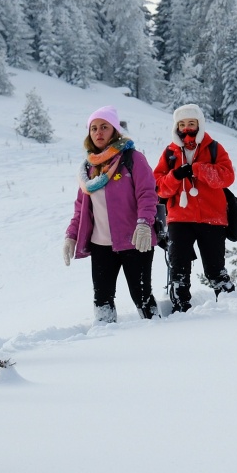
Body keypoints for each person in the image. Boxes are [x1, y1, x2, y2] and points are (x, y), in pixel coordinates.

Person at [63, 107, 158, 322]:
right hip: (101, 245)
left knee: (141, 296)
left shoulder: (132, 159)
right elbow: (81, 207)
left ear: (114, 130)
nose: (98, 132)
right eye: (94, 128)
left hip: (135, 241)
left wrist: (144, 223)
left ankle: (156, 333)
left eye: (104, 127)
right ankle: (105, 340)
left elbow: (147, 194)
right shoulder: (88, 168)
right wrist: (71, 236)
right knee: (102, 300)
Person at [152, 104, 236, 311]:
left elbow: (227, 176)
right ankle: (181, 308)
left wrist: (199, 169)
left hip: (212, 218)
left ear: (200, 124)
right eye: (182, 124)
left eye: (191, 123)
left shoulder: (214, 147)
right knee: (178, 269)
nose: (186, 127)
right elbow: (158, 187)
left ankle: (232, 306)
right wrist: (175, 176)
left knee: (215, 268)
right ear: (176, 126)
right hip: (179, 219)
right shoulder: (169, 153)